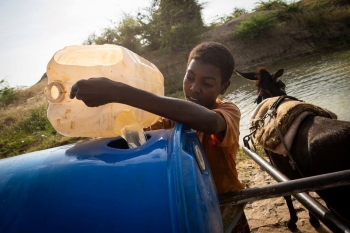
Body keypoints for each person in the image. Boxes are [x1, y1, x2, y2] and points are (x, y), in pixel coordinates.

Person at [69, 41, 250, 233]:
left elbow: (210, 123)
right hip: (190, 209)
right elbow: (136, 135)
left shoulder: (227, 111)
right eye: (190, 77)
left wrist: (118, 91)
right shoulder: (170, 119)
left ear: (224, 87)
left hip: (226, 208)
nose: (194, 88)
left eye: (207, 83)